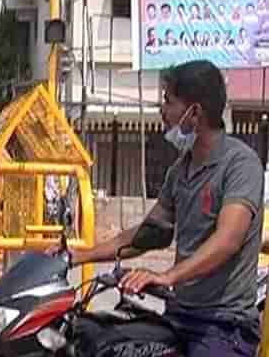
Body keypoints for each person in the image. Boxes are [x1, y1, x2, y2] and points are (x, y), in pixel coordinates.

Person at [58, 60, 263, 356]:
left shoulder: (240, 164)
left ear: (195, 113)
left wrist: (168, 276)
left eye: (168, 101)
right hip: (180, 317)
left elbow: (227, 240)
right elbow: (150, 234)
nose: (162, 111)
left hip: (223, 325)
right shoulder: (180, 171)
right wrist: (74, 257)